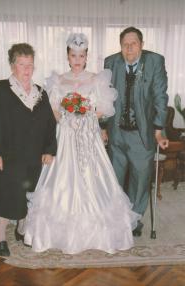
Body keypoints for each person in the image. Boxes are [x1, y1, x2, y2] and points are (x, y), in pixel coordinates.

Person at [24, 33, 141, 254]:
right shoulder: (58, 80)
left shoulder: (96, 79)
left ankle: (100, 235)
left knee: (94, 179)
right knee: (61, 181)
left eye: (81, 55)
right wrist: (68, 117)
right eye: (73, 55)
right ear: (68, 57)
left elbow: (104, 109)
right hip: (66, 137)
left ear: (86, 57)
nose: (77, 59)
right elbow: (54, 111)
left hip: (89, 137)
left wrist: (85, 115)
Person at [0, 43, 57, 256]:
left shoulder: (41, 93)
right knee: (8, 194)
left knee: (30, 193)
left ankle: (21, 229)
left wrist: (49, 149)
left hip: (34, 155)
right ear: (12, 65)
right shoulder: (0, 89)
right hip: (8, 156)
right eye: (21, 64)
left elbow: (49, 124)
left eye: (30, 65)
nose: (27, 70)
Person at [104, 26, 169, 236]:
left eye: (134, 43)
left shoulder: (154, 62)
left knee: (140, 179)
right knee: (115, 178)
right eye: (125, 44)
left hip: (142, 134)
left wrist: (159, 129)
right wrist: (103, 127)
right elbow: (104, 97)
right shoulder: (111, 62)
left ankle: (135, 219)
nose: (129, 48)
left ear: (141, 45)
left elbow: (160, 97)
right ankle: (117, 218)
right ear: (120, 46)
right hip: (117, 133)